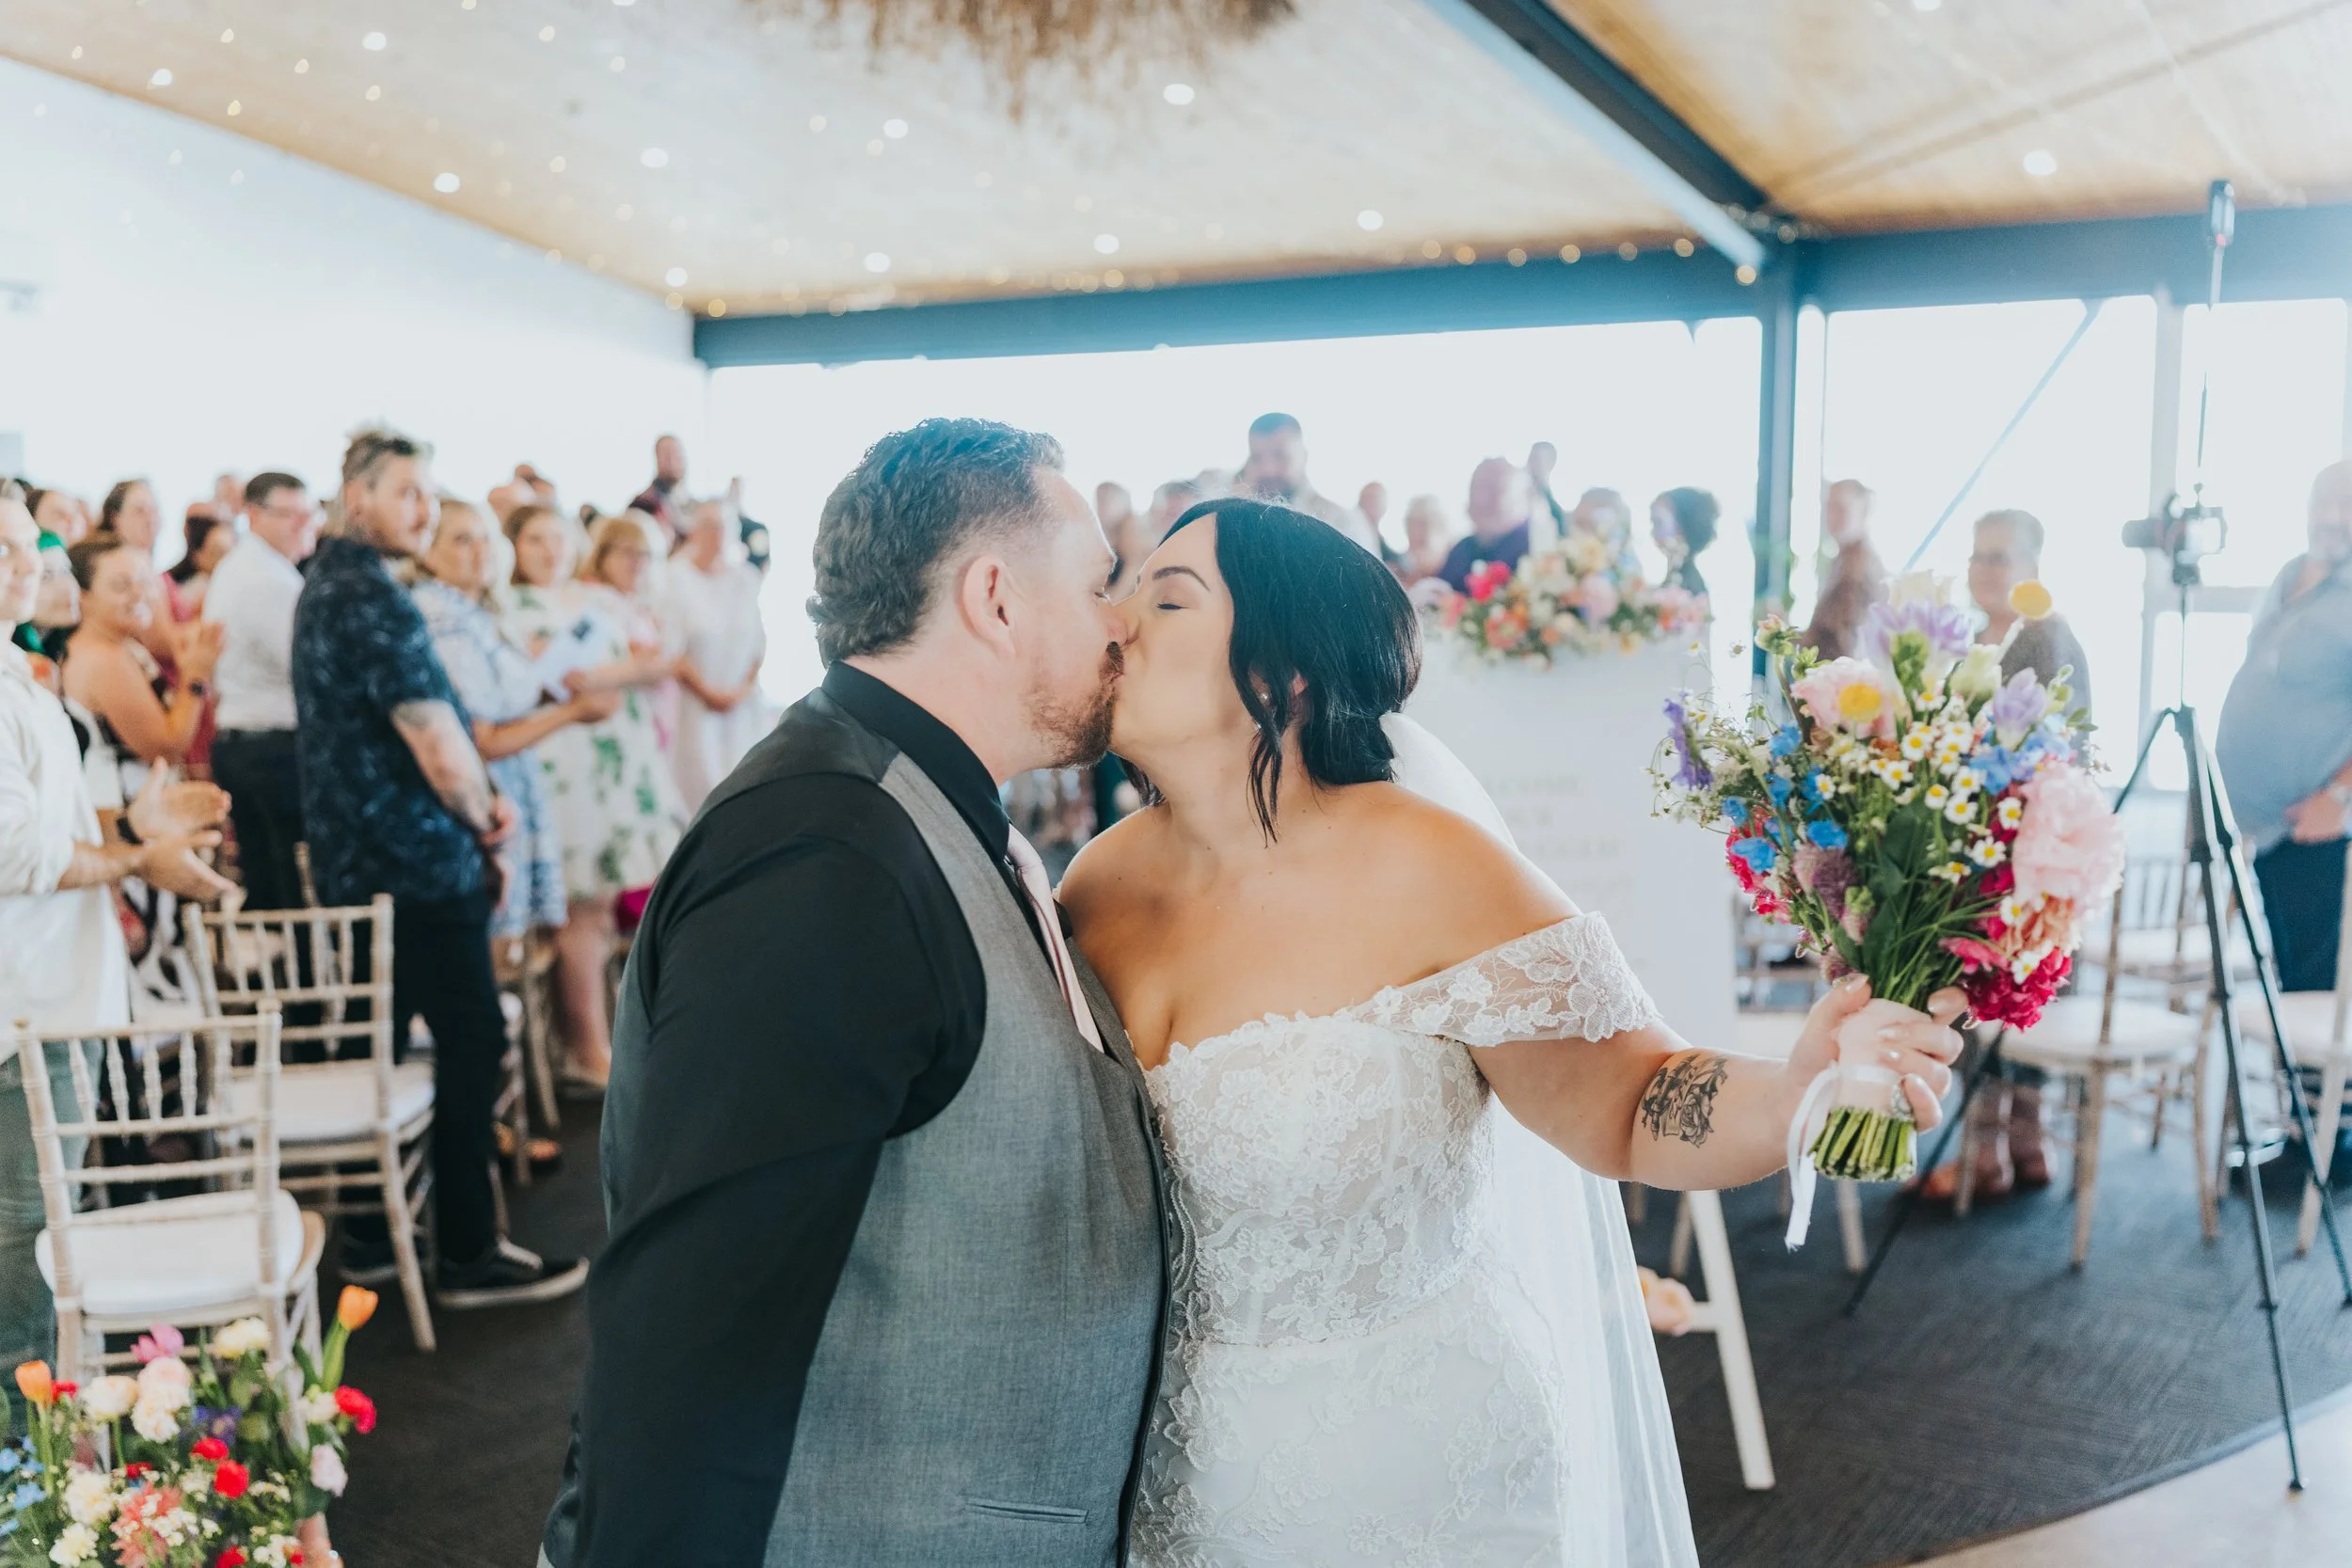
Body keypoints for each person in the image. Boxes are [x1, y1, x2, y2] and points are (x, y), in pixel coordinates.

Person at [1060, 498, 1963, 1565]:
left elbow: (1630, 1100)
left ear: (1283, 672)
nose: (1117, 618)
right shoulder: (1093, 888)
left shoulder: (1426, 866)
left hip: (1420, 1485)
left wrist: (1799, 1085)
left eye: (1167, 597)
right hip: (1167, 1491)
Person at [542, 418, 1159, 1568]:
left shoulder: (917, 804)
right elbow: (695, 1329)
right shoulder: (826, 855)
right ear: (995, 596)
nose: (1119, 620)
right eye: (1098, 584)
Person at [293, 427, 588, 1308]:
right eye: (408, 493)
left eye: (429, 494)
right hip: (415, 857)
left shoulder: (326, 586)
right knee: (472, 1041)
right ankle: (466, 1249)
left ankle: (376, 1240)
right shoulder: (371, 596)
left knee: (382, 1036)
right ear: (359, 497)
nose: (424, 509)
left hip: (359, 856)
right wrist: (485, 815)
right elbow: (434, 737)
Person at [1, 484, 230, 1420]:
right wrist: (141, 855)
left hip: (55, 997)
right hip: (26, 1013)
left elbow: (45, 824)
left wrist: (130, 818)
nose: (26, 567)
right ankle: (26, 1488)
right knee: (30, 1250)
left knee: (41, 1242)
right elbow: (18, 854)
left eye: (28, 549)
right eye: (5, 551)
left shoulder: (20, 673)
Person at [1917, 506, 2096, 1202]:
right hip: (1974, 843)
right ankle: (2014, 1143)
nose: (1983, 570)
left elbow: (2058, 749)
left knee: (2013, 992)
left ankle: (2004, 1146)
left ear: (2031, 569)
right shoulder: (1967, 640)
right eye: (1976, 556)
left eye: (1998, 557)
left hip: (2032, 846)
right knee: (1982, 994)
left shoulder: (2045, 636)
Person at [501, 505, 682, 1090]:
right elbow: (530, 682)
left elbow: (647, 661)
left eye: (558, 537)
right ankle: (586, 1047)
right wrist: (595, 678)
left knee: (602, 912)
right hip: (561, 766)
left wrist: (607, 676)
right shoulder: (507, 607)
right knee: (579, 913)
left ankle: (599, 1039)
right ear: (515, 546)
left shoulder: (592, 600)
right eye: (535, 539)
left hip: (613, 762)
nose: (549, 549)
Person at [414, 497, 612, 944]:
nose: (480, 550)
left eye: (485, 537)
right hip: (485, 800)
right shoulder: (443, 617)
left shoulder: (474, 611)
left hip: (509, 789)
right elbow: (481, 739)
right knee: (495, 953)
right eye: (462, 540)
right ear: (429, 551)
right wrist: (574, 711)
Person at [2218, 458, 2352, 992]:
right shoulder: (2288, 576)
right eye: (2323, 501)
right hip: (2260, 829)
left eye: (2347, 505)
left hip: (2314, 827)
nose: (2332, 516)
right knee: (2284, 986)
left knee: (2313, 990)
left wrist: (2340, 799)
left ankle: (2318, 1080)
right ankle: (2292, 1077)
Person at [205, 472, 322, 911]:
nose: (304, 524)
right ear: (253, 516)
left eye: (309, 513)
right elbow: (305, 668)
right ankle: (295, 973)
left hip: (248, 742)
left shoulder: (252, 566)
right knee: (285, 885)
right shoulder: (264, 579)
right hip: (267, 747)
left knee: (272, 879)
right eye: (289, 514)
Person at [662, 499, 771, 813]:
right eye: (710, 526)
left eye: (724, 526)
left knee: (747, 786)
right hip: (697, 705)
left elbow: (758, 645)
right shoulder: (676, 578)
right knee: (702, 792)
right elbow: (673, 651)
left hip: (742, 702)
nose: (718, 534)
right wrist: (710, 694)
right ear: (694, 531)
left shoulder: (746, 578)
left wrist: (741, 689)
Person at [1238, 412, 1379, 553]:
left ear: (1304, 456)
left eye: (1280, 455)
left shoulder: (1342, 521)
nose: (1268, 470)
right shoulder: (1237, 523)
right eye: (1256, 458)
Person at [1801, 478, 1885, 661]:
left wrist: (1784, 635)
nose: (1831, 516)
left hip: (1842, 676)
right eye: (1829, 507)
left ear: (1863, 512)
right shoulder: (1843, 559)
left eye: (1840, 508)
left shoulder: (1859, 565)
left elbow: (1841, 638)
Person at [1438, 456, 1534, 592]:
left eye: (1494, 490)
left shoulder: (1537, 551)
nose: (1481, 500)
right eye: (1477, 489)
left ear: (1520, 498)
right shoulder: (1461, 550)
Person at [1651, 487, 1721, 600]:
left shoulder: (1684, 592)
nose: (1652, 532)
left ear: (1682, 529)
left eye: (1658, 523)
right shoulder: (1680, 580)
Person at [166, 511, 234, 620]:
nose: (225, 560)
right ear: (197, 556)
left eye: (230, 553)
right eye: (217, 552)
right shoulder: (196, 590)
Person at [628, 433, 689, 540]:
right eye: (667, 455)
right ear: (657, 458)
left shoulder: (689, 504)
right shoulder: (643, 504)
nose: (673, 462)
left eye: (677, 455)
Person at [1393, 493, 1455, 586]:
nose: (1417, 532)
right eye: (1412, 524)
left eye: (1422, 523)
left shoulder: (1453, 564)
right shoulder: (1397, 568)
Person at [1528, 439, 1569, 532]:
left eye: (1539, 459)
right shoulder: (1513, 498)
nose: (1533, 464)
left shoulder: (1555, 509)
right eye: (1532, 458)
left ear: (1552, 463)